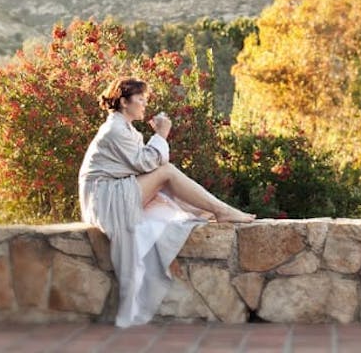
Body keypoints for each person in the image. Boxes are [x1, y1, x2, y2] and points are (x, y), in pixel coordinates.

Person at [78, 77, 254, 327]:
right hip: (107, 199)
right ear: (124, 102)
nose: (144, 104)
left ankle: (211, 209)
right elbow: (148, 163)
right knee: (168, 173)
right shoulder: (115, 129)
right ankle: (221, 210)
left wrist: (158, 138)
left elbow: (144, 164)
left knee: (170, 186)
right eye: (140, 99)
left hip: (113, 192)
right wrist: (161, 134)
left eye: (145, 99)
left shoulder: (125, 128)